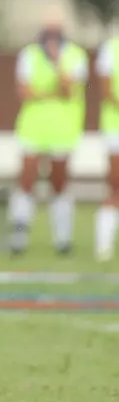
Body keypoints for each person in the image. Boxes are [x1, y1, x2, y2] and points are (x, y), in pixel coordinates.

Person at [10, 9, 87, 255]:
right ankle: (20, 235)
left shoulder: (75, 56)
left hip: (63, 129)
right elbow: (23, 92)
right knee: (26, 179)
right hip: (32, 127)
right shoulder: (29, 55)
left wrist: (55, 64)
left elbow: (68, 89)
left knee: (59, 182)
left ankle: (62, 237)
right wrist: (48, 93)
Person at [95, 31, 119, 262]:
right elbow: (106, 92)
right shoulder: (111, 49)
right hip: (116, 129)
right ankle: (104, 244)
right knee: (116, 185)